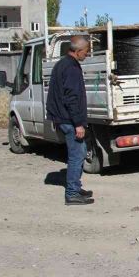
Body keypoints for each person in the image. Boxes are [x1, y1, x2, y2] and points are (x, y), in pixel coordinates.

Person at [46, 35, 94, 205]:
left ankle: (76, 187)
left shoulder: (62, 64)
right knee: (77, 155)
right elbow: (72, 98)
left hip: (63, 118)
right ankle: (72, 193)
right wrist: (78, 124)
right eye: (86, 52)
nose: (86, 55)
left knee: (78, 153)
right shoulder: (71, 68)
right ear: (78, 51)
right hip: (69, 120)